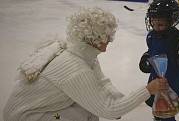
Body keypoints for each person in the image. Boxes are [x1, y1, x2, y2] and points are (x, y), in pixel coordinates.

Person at [3, 7, 168, 121]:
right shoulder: (74, 67)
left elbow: (102, 82)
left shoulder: (79, 51)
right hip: (26, 117)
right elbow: (109, 109)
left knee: (88, 110)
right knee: (87, 114)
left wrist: (121, 100)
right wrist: (148, 90)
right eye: (107, 38)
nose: (109, 43)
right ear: (95, 39)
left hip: (30, 109)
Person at [139, 0, 179, 121]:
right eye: (153, 23)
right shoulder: (151, 36)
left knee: (167, 115)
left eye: (160, 25)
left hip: (171, 85)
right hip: (155, 82)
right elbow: (152, 50)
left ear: (171, 22)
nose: (156, 28)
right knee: (157, 112)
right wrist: (146, 58)